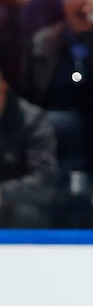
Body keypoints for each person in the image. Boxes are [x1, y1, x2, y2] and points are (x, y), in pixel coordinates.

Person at [0, 69, 58, 227]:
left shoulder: (34, 121)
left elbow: (45, 179)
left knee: (26, 213)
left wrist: (4, 193)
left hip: (17, 207)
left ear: (3, 87)